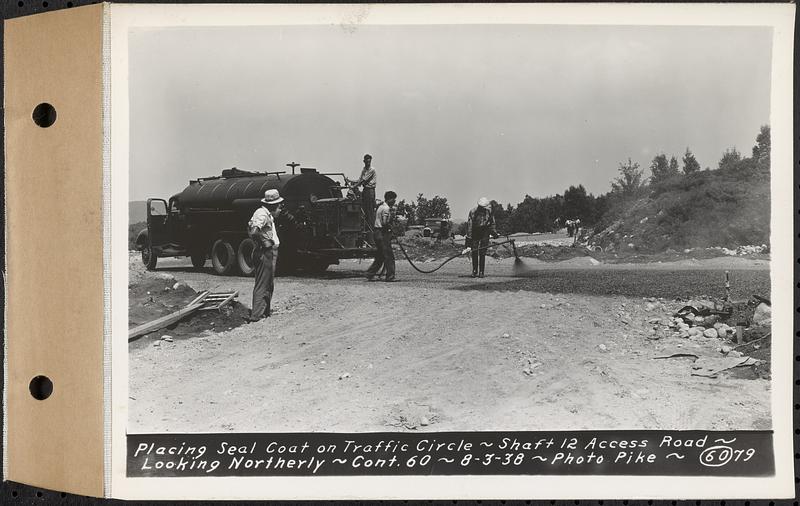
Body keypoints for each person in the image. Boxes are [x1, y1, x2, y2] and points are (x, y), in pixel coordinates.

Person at [245, 189, 283, 322]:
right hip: (264, 252)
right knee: (263, 283)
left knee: (268, 283)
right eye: (279, 206)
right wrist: (264, 242)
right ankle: (256, 315)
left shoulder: (266, 214)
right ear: (272, 205)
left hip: (268, 251)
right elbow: (254, 230)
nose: (280, 209)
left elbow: (249, 227)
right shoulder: (262, 214)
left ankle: (264, 312)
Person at [366, 190, 397, 282]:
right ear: (389, 199)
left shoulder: (380, 207)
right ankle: (390, 276)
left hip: (376, 233)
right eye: (393, 199)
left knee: (380, 256)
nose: (394, 201)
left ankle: (370, 273)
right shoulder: (386, 209)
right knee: (389, 256)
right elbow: (384, 222)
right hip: (382, 233)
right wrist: (390, 226)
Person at [466, 197, 499, 278]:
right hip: (475, 232)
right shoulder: (473, 212)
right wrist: (469, 237)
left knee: (482, 252)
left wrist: (494, 233)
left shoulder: (489, 212)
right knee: (474, 251)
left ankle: (481, 271)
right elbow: (470, 225)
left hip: (485, 232)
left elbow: (492, 224)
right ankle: (474, 271)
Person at [353, 154, 377, 242]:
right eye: (366, 161)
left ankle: (371, 237)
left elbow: (363, 181)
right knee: (364, 213)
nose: (368, 162)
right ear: (364, 161)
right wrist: (350, 181)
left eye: (369, 161)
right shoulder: (364, 169)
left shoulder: (372, 170)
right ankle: (365, 236)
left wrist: (355, 186)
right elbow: (360, 180)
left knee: (370, 213)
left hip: (370, 191)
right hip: (365, 191)